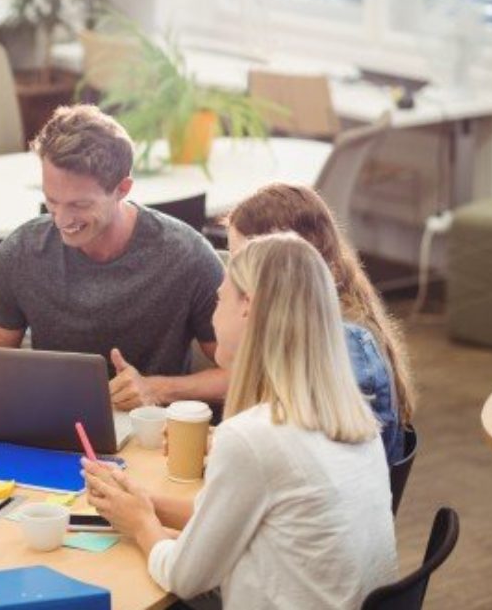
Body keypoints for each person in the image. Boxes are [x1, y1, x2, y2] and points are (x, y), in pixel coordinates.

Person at [83, 233, 398, 608]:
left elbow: (183, 577)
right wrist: (143, 503)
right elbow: (237, 518)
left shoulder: (254, 438)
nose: (213, 315)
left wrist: (140, 524)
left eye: (218, 300)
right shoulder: (351, 416)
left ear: (247, 306)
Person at [0, 104, 225, 405]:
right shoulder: (20, 254)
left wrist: (158, 389)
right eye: (52, 201)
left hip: (152, 436)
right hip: (55, 430)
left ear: (122, 189)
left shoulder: (187, 256)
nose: (62, 221)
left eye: (80, 205)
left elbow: (245, 374)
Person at [225, 183, 415, 463]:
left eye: (242, 261)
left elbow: (311, 462)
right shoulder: (313, 319)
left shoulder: (345, 344)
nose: (233, 276)